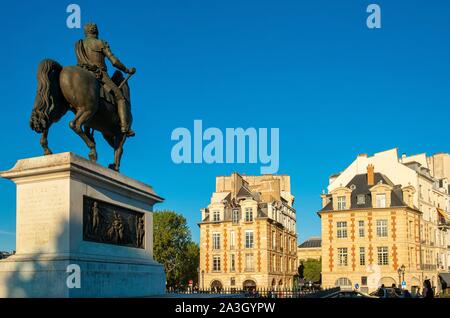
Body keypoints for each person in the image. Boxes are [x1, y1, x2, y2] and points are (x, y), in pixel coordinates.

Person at [76, 23, 136, 137]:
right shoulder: (100, 42)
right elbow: (114, 61)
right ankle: (124, 126)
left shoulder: (80, 44)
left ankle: (87, 130)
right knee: (120, 97)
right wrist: (127, 70)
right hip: (100, 74)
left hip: (84, 73)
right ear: (95, 31)